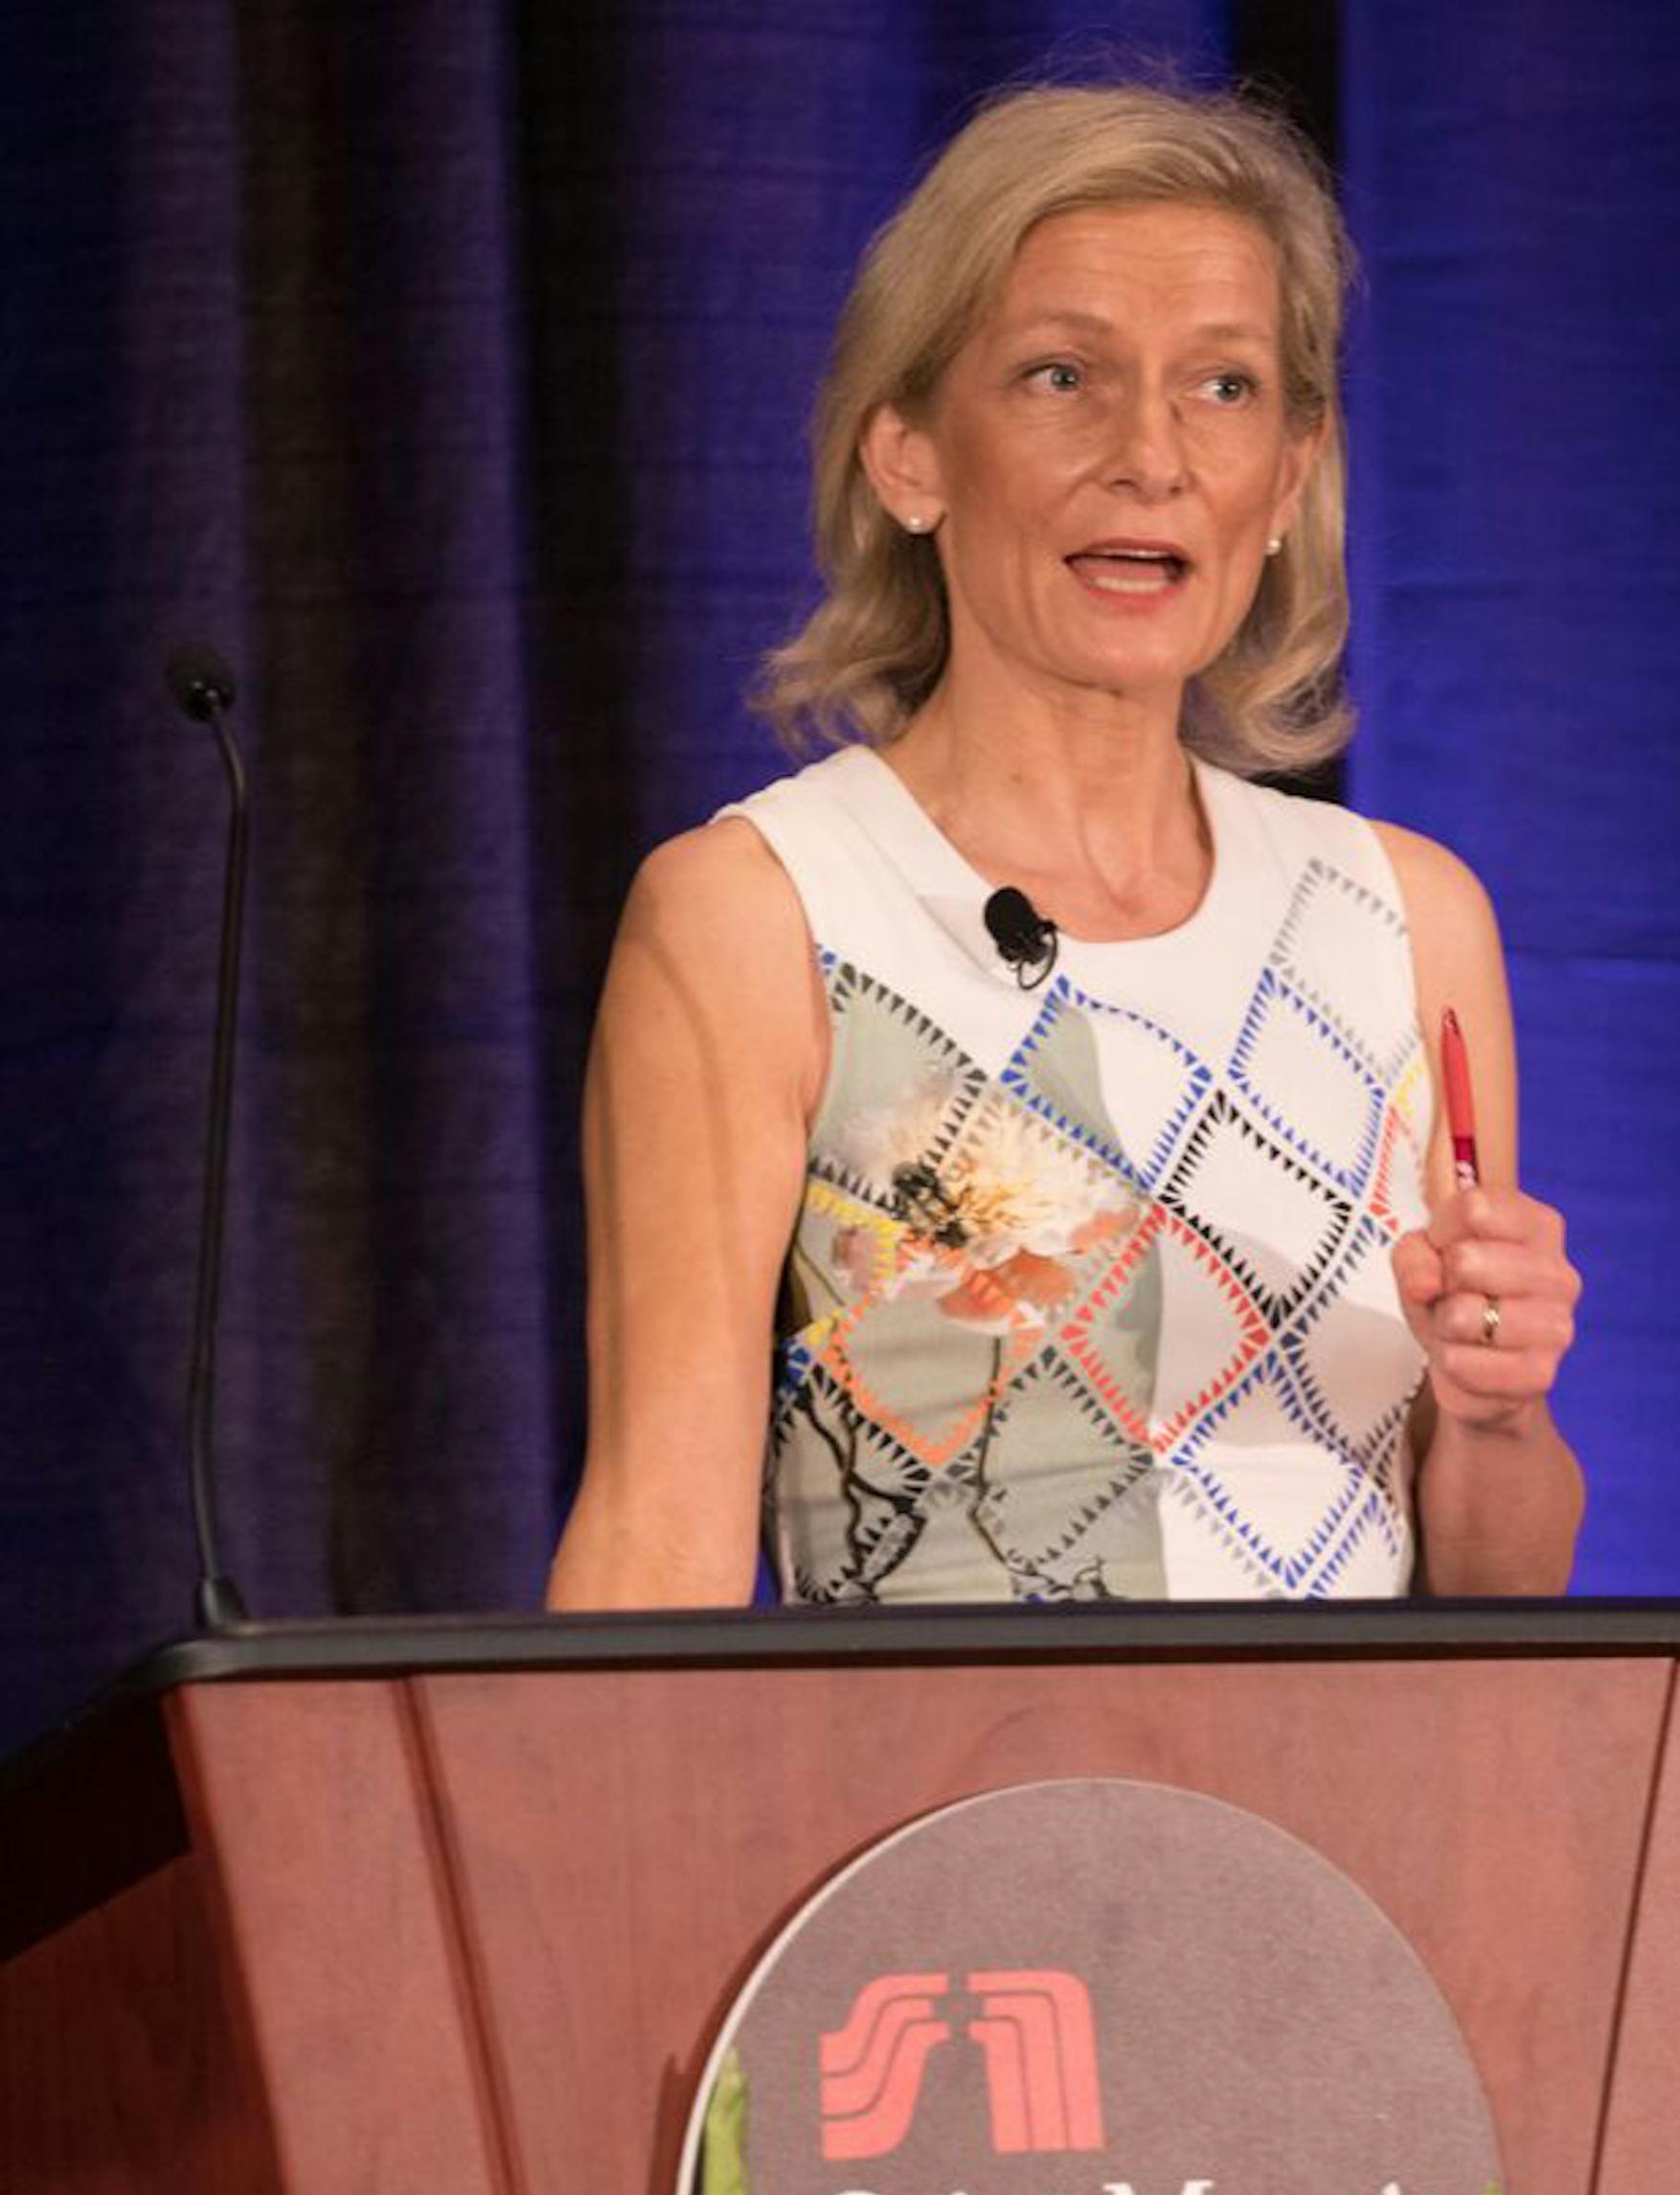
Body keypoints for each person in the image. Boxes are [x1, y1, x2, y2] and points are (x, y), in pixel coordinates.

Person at [549, 80, 1583, 1612]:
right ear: (908, 456)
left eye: (1223, 388)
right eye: (1061, 375)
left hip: (1347, 1835)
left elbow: (1503, 1609)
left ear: (1288, 480)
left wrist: (1497, 1417)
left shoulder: (1405, 915)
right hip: (941, 1834)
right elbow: (658, 1539)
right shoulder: (762, 914)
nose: (1152, 457)